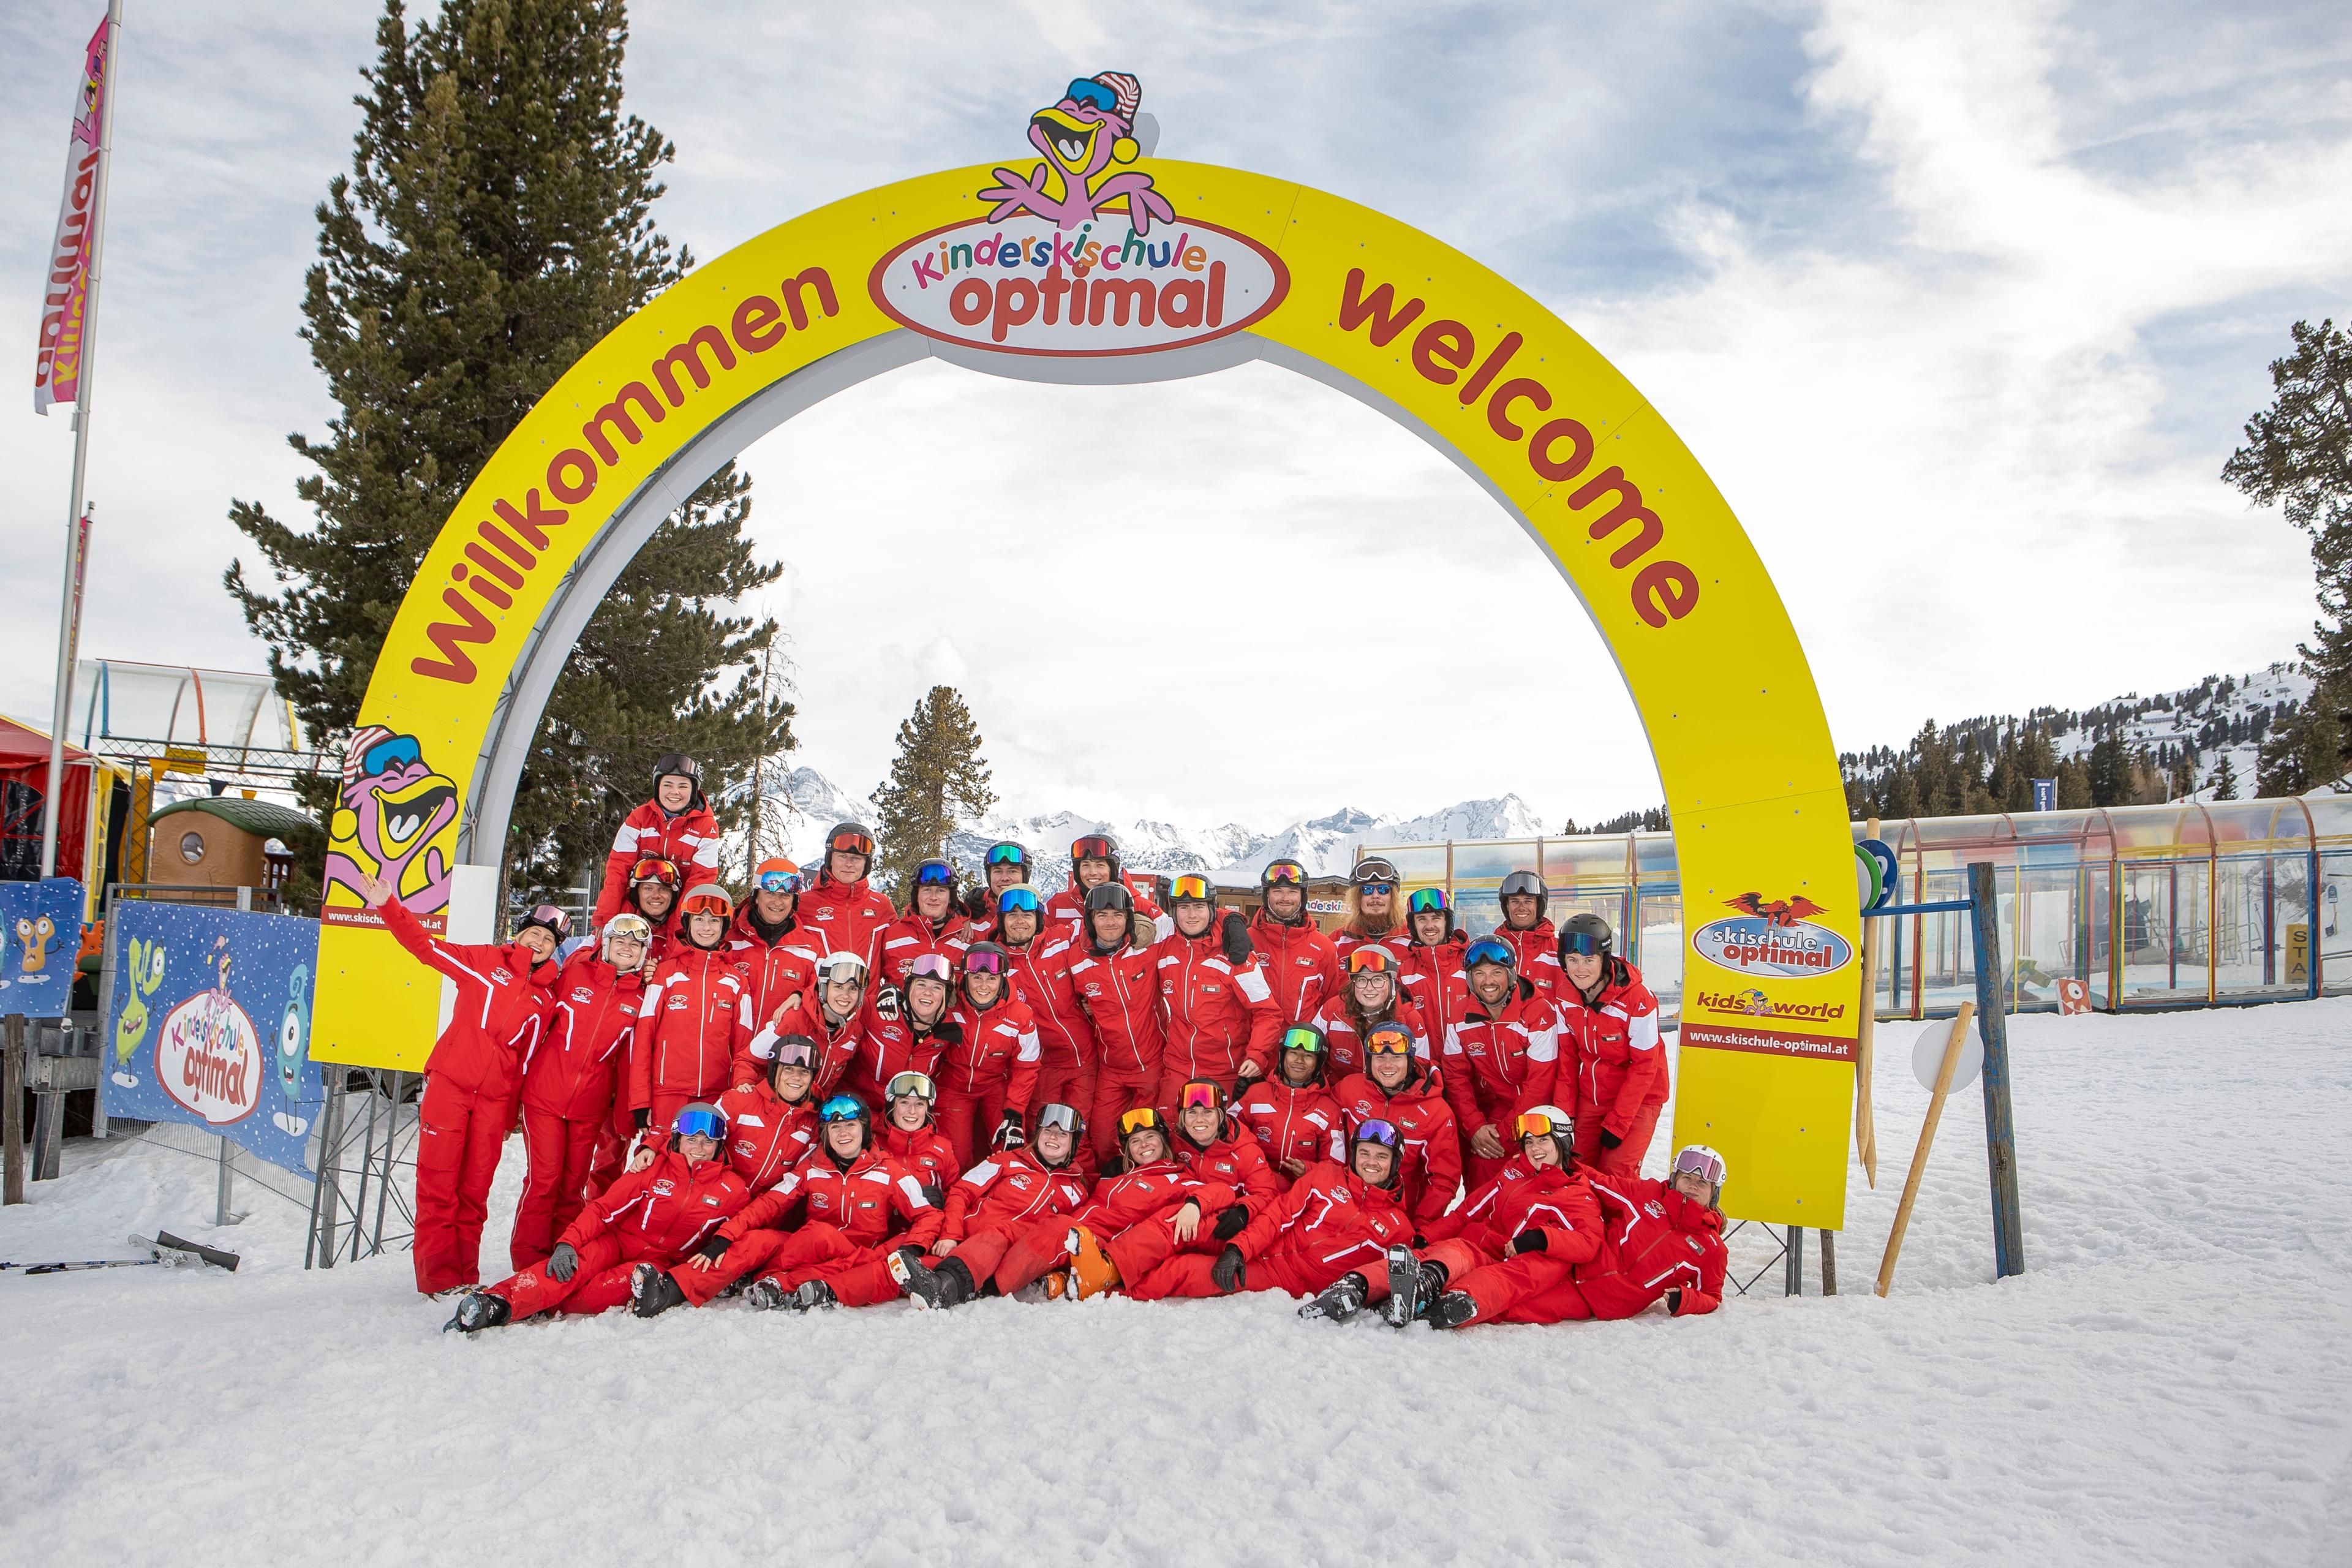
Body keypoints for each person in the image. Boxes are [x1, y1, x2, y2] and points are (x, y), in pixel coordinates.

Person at [359, 869, 560, 1296]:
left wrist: (509, 1117)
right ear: (520, 933)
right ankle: (439, 1279)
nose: (539, 942)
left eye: (548, 940)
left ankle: (466, 1276)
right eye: (535, 933)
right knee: (439, 1185)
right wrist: (387, 904)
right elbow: (425, 947)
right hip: (451, 1087)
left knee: (474, 1192)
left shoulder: (546, 999)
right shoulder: (484, 962)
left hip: (493, 1102)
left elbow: (525, 1064)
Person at [443, 1102, 747, 1332]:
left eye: (708, 1142)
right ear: (678, 1139)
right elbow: (603, 1210)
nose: (699, 1148)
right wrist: (568, 1243)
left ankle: (536, 1305)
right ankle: (494, 1303)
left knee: (596, 1294)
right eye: (692, 1139)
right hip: (617, 1242)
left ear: (719, 1146)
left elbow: (738, 1232)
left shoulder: (732, 1190)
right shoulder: (652, 1169)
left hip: (654, 1264)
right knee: (568, 1270)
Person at [1422, 1139, 1726, 1329]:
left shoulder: (1710, 1248)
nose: (1692, 1186)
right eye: (1686, 1178)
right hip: (1579, 1267)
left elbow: (1712, 1296)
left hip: (1604, 1302)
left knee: (1517, 1308)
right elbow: (1600, 1183)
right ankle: (1432, 1285)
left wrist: (1686, 1300)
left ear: (1714, 1194)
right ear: (1674, 1179)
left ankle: (1448, 1309)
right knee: (1513, 1278)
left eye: (1702, 1184)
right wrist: (1557, 1158)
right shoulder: (1648, 1194)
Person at [681, 1093, 941, 1312]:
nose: (843, 1133)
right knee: (758, 1240)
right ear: (826, 1133)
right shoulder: (812, 1168)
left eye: (851, 1125)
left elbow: (928, 1215)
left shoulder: (888, 1171)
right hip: (807, 1249)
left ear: (864, 1129)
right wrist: (725, 1236)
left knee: (821, 1234)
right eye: (835, 1127)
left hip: (856, 1256)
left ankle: (770, 1280)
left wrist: (914, 1249)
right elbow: (771, 1203)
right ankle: (678, 1286)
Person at [1125, 1119, 1415, 1305]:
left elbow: (1383, 1279)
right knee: (1184, 1228)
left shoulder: (1399, 1229)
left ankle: (1116, 1292)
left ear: (1395, 1163)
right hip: (1260, 1242)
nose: (1371, 1162)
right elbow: (1280, 1215)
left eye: (1382, 1156)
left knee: (1185, 1271)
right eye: (1364, 1153)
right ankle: (1113, 1265)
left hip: (1280, 1278)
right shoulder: (1327, 1176)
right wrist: (1238, 1249)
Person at [1375, 1105, 1601, 1329]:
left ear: (1563, 1142)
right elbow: (1468, 1211)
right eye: (1529, 1142)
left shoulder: (1575, 1192)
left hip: (1519, 1267)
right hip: (1485, 1249)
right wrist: (1427, 1236)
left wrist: (1539, 1238)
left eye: (1543, 1140)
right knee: (1455, 1250)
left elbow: (1589, 1241)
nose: (1534, 1148)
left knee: (1499, 1275)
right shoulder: (1514, 1173)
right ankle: (1418, 1286)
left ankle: (1451, 1305)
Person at [982, 1107, 1242, 1301]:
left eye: (1150, 1137)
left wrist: (1195, 1204)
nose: (1144, 1145)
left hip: (1096, 1247)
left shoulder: (1176, 1179)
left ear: (1164, 1142)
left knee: (1056, 1227)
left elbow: (1223, 1191)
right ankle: (977, 1269)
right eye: (1135, 1142)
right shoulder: (1118, 1177)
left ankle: (992, 1288)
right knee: (1017, 1228)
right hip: (1065, 1238)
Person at [511, 913, 647, 1271]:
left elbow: (629, 1061)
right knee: (544, 1181)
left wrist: (626, 1116)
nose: (627, 948)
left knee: (573, 1187)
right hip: (545, 1096)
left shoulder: (642, 997)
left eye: (635, 945)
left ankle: (561, 1259)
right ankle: (528, 1264)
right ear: (606, 944)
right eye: (620, 941)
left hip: (590, 1105)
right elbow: (536, 1010)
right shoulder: (575, 973)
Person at [890, 1103, 1093, 1310]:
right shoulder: (1007, 1160)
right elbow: (961, 1191)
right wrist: (950, 1234)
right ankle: (942, 1285)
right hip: (968, 1241)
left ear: (1073, 1143)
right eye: (1048, 1131)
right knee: (899, 1267)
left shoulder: (1077, 1191)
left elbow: (1074, 1241)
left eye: (1062, 1134)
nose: (1053, 1137)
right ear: (1038, 1134)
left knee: (1010, 1234)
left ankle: (942, 1290)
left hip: (1013, 1263)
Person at [1438, 935, 1566, 1188]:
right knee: (1482, 1162)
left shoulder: (1538, 1012)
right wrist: (1475, 1127)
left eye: (1496, 972)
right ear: (1470, 979)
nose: (1488, 981)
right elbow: (1456, 1078)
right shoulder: (1459, 1017)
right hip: (1504, 1104)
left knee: (1538, 1169)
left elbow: (1539, 1086)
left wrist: (1506, 1134)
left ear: (1511, 975)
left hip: (1544, 1107)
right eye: (1480, 974)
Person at [630, 884, 755, 1139]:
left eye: (714, 921)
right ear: (687, 923)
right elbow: (642, 1039)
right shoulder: (665, 974)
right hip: (666, 1094)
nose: (706, 927)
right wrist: (640, 1100)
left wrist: (738, 1095)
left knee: (705, 1159)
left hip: (716, 1096)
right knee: (660, 1159)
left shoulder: (737, 982)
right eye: (699, 919)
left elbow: (743, 1048)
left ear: (724, 927)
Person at [1153, 872, 1281, 1105]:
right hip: (1176, 1070)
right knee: (1170, 1125)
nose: (1191, 915)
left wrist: (1257, 1054)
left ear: (1212, 909)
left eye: (1199, 907)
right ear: (1174, 912)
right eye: (1184, 908)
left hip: (1224, 1073)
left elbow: (1267, 1011)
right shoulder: (1165, 947)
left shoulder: (1235, 954)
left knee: (1218, 1128)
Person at [992, 886, 1098, 1163]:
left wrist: (1142, 925)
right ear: (1001, 921)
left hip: (1085, 1060)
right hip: (1043, 1066)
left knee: (1079, 1136)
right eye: (1011, 915)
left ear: (1039, 918)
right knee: (1042, 1137)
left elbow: (1106, 922)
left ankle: (1077, 1186)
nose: (1020, 921)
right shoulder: (997, 964)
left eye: (1027, 915)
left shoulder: (1061, 939)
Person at [1557, 912, 1668, 1177]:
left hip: (1639, 1100)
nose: (1579, 969)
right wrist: (1565, 1113)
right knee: (1575, 1170)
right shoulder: (1565, 995)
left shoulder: (1638, 999)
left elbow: (1645, 1066)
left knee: (1615, 1174)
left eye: (1588, 960)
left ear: (1604, 960)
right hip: (1593, 1096)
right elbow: (1567, 1058)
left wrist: (1619, 1123)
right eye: (1572, 960)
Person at [1065, 882, 1167, 1167]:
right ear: (1091, 919)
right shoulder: (1076, 960)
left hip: (1151, 1064)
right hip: (1111, 1069)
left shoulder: (1147, 949)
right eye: (1102, 915)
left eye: (1118, 915)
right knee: (1102, 1140)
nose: (1111, 922)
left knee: (1146, 1141)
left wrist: (1230, 920)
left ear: (1129, 918)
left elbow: (1189, 924)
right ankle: (1107, 1186)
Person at [1329, 1019, 1461, 1229]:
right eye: (1380, 1057)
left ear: (1410, 1060)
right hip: (1343, 1206)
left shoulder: (1437, 1113)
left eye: (1396, 1057)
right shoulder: (1349, 1090)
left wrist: (1420, 1228)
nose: (1387, 1065)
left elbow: (1444, 1180)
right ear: (1369, 1061)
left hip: (1397, 1220)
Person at [936, 943, 1043, 1170]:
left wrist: (1015, 1111)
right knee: (956, 1157)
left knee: (1009, 1148)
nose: (983, 986)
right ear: (965, 977)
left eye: (992, 979)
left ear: (1002, 979)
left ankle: (1006, 1188)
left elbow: (1026, 1067)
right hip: (954, 1087)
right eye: (977, 978)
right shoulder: (948, 1004)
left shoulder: (1021, 1016)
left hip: (996, 1086)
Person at [594, 754, 721, 927]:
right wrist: (606, 918)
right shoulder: (639, 818)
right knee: (619, 933)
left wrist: (679, 928)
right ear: (658, 787)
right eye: (667, 785)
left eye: (683, 786)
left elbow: (701, 880)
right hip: (639, 903)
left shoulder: (706, 827)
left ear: (693, 791)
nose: (674, 792)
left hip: (679, 905)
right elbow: (618, 870)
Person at [737, 949, 869, 1095]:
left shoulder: (855, 1028)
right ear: (824, 988)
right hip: (778, 1102)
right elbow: (747, 1060)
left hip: (815, 1106)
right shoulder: (794, 1020)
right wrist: (744, 1083)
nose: (845, 996)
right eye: (838, 987)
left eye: (853, 989)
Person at [1232, 1025, 1345, 1188]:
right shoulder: (1256, 1093)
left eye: (1308, 1056)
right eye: (1293, 1053)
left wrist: (1309, 1170)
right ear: (1282, 1056)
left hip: (1300, 1190)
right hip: (1254, 1181)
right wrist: (1250, 1159)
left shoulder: (1330, 1111)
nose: (1299, 1061)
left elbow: (1336, 1165)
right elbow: (1228, 1132)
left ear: (1319, 1062)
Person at [844, 952, 959, 1108]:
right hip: (861, 1106)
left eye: (937, 987)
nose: (928, 992)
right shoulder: (878, 1009)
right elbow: (841, 1007)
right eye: (921, 984)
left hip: (906, 1111)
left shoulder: (949, 1028)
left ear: (946, 995)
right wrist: (888, 987)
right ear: (909, 987)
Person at [1310, 944, 1431, 1081]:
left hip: (1389, 1093)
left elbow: (1420, 1073)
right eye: (1362, 980)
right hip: (1340, 1090)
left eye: (1377, 979)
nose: (1369, 988)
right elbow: (1312, 1061)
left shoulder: (1410, 1019)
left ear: (1391, 983)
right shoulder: (1332, 1011)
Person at [725, 858, 819, 1033]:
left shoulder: (810, 949)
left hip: (778, 1048)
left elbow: (822, 995)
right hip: (728, 1046)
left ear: (794, 901)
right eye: (770, 893)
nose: (778, 902)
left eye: (786, 896)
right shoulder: (729, 941)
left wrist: (802, 996)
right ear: (756, 897)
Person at [1247, 858, 1343, 1027]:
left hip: (1301, 1041)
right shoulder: (1246, 942)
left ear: (1302, 896)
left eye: (1292, 891)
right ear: (1267, 895)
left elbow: (1330, 1005)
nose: (1285, 898)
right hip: (1254, 1040)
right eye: (1277, 891)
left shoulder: (1324, 947)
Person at [797, 822, 896, 968]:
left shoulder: (882, 905)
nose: (849, 864)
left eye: (856, 858)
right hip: (819, 983)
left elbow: (896, 955)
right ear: (830, 859)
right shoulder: (803, 904)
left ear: (866, 864)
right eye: (842, 856)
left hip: (868, 984)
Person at [1044, 832, 1166, 937]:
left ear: (1112, 869)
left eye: (1100, 865)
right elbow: (1038, 944)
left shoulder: (1141, 907)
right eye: (1086, 865)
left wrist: (1149, 939)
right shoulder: (1057, 905)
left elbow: (1171, 940)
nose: (1092, 872)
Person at [881, 858, 977, 986]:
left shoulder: (967, 938)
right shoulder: (891, 935)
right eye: (927, 890)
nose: (933, 897)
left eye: (941, 890)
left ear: (951, 898)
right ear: (917, 895)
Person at [1396, 886, 1473, 1046]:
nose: (1429, 925)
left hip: (1464, 1059)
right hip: (1423, 1059)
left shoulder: (1470, 963)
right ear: (1413, 926)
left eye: (1436, 918)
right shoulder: (1403, 973)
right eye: (1422, 919)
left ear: (1447, 922)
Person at [875, 1069, 962, 1199]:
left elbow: (957, 1195)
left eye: (920, 1104)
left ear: (928, 1110)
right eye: (904, 1102)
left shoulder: (943, 1149)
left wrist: (942, 1200)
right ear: (892, 1107)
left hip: (930, 1213)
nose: (912, 1111)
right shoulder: (872, 1145)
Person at [1493, 872, 1566, 1000]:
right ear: (1507, 906)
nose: (1521, 907)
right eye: (1515, 901)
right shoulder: (1492, 949)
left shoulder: (1560, 950)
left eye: (1528, 901)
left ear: (1539, 906)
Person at [1330, 857, 1408, 967]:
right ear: (1357, 897)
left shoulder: (1413, 939)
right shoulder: (1336, 942)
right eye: (1367, 890)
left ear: (1393, 896)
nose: (1375, 896)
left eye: (1383, 889)